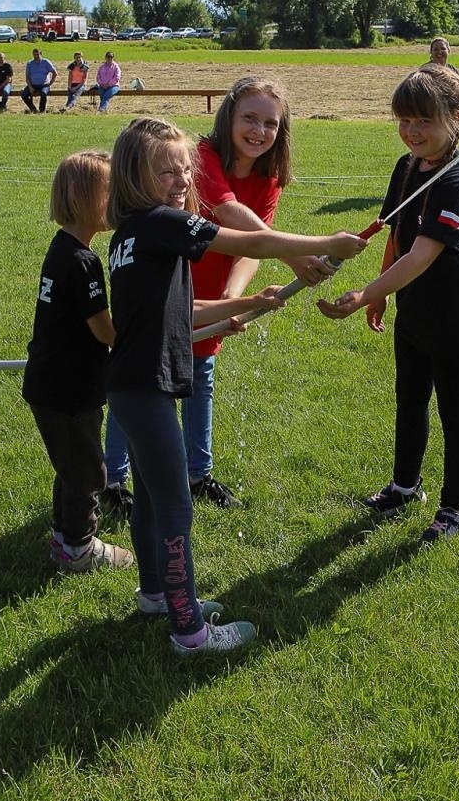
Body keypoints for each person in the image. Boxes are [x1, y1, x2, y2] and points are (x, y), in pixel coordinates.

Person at [105, 116, 365, 655]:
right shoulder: (160, 223)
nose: (181, 182)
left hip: (131, 386)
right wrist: (326, 241)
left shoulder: (134, 234)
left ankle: (156, 593)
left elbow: (178, 310)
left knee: (153, 498)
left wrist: (245, 303)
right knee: (176, 504)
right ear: (134, 176)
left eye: (185, 170)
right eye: (165, 172)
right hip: (144, 389)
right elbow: (248, 238)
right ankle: (189, 632)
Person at [101, 77, 335, 514]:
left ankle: (197, 473)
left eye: (270, 123)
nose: (259, 131)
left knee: (200, 378)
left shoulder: (269, 179)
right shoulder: (200, 158)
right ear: (228, 116)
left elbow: (252, 248)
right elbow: (235, 219)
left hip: (213, 292)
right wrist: (297, 256)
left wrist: (235, 299)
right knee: (139, 378)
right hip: (169, 287)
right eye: (250, 118)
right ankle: (113, 480)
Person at [317, 64, 459, 544]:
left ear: (456, 118)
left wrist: (365, 295)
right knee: (409, 401)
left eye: (423, 121)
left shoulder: (454, 181)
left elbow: (423, 255)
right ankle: (404, 487)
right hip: (416, 312)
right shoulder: (407, 168)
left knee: (455, 412)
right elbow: (397, 233)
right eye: (404, 120)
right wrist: (383, 294)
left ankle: (454, 509)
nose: (412, 131)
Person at [23, 150, 134, 573]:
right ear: (86, 198)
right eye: (112, 193)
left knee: (70, 465)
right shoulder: (83, 262)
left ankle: (62, 535)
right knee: (88, 471)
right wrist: (135, 336)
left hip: (53, 384)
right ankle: (79, 547)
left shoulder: (62, 249)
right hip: (70, 389)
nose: (118, 203)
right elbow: (103, 330)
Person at [22, 49, 57, 113]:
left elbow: (55, 73)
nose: (36, 56)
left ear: (41, 54)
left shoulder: (46, 62)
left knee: (43, 93)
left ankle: (42, 110)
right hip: (33, 85)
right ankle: (33, 109)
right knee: (23, 94)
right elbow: (27, 76)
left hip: (44, 85)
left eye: (37, 54)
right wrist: (30, 87)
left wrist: (50, 83)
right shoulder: (29, 63)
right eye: (34, 55)